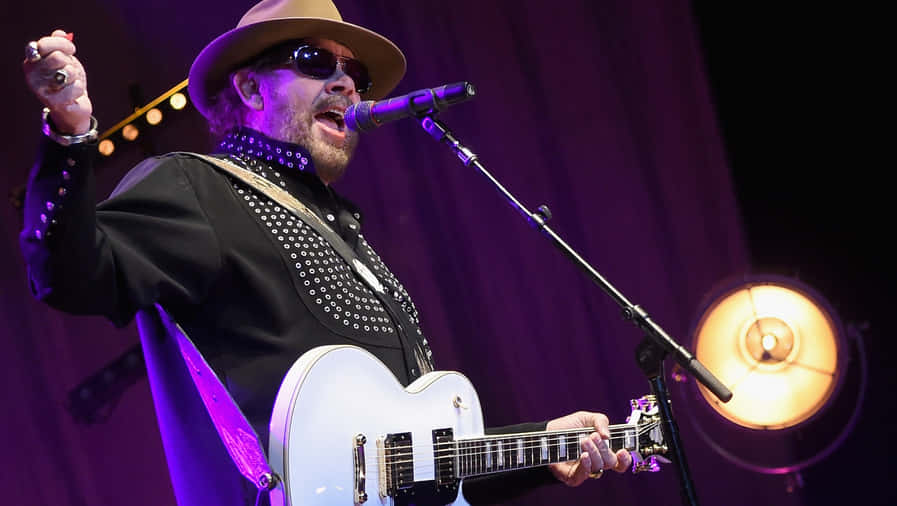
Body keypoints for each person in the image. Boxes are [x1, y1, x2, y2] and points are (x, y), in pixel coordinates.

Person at [20, 0, 631, 504]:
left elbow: (413, 473)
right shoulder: (196, 187)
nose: (345, 83)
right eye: (315, 62)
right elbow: (69, 274)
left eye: (355, 74)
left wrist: (545, 445)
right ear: (250, 86)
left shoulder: (346, 231)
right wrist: (71, 133)